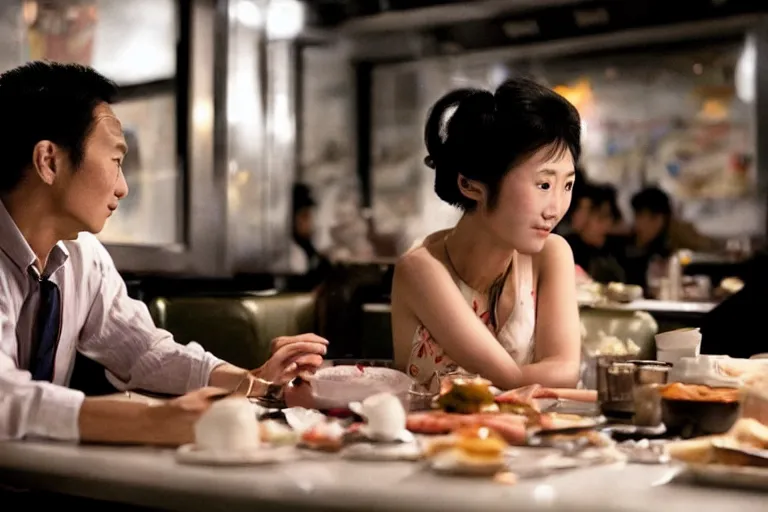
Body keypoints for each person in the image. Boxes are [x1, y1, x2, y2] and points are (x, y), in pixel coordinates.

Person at [0, 62, 327, 445]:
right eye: (116, 161)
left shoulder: (81, 254)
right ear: (49, 161)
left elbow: (142, 351)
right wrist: (148, 421)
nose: (122, 188)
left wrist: (254, 382)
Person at [390, 77, 582, 391]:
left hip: (527, 438)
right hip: (435, 439)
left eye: (567, 185)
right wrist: (543, 376)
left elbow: (565, 372)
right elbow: (509, 379)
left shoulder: (551, 253)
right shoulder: (421, 269)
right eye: (544, 185)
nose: (556, 208)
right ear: (470, 185)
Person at [564, 184, 626, 283]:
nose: (606, 225)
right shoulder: (564, 248)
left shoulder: (614, 251)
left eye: (609, 217)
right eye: (600, 218)